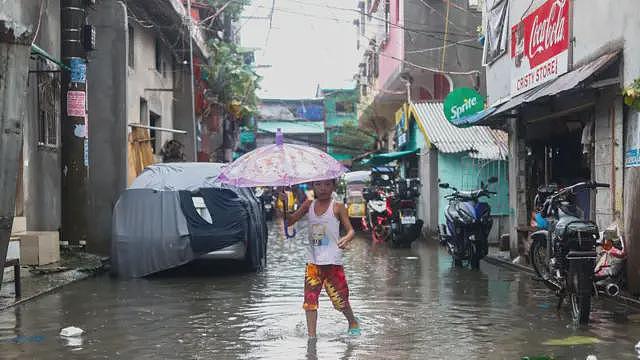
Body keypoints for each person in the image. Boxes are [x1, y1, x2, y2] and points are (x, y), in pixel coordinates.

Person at [284, 179, 360, 338]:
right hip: (313, 262)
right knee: (310, 301)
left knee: (341, 301)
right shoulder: (308, 205)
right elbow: (290, 220)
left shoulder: (338, 207)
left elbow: (351, 231)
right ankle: (312, 338)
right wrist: (284, 206)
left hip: (333, 261)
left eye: (327, 184)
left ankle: (352, 322)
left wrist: (347, 238)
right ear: (313, 186)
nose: (323, 188)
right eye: (318, 184)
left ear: (333, 186)